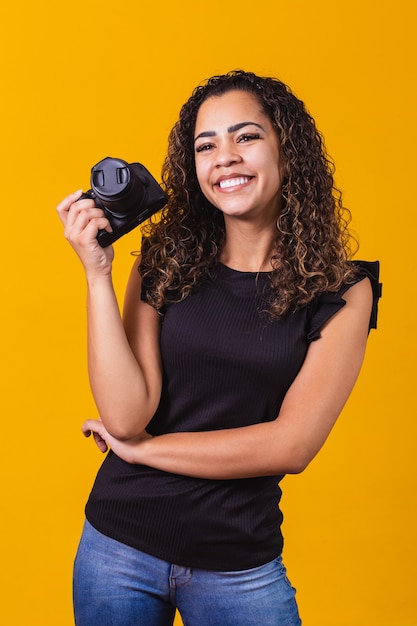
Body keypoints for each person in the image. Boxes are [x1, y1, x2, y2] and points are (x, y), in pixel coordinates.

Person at [57, 70, 380, 626]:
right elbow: (126, 415)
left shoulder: (342, 290)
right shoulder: (165, 261)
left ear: (287, 150)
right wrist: (97, 276)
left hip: (239, 567)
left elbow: (292, 445)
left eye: (246, 137)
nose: (224, 157)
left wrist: (143, 452)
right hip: (118, 550)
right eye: (206, 146)